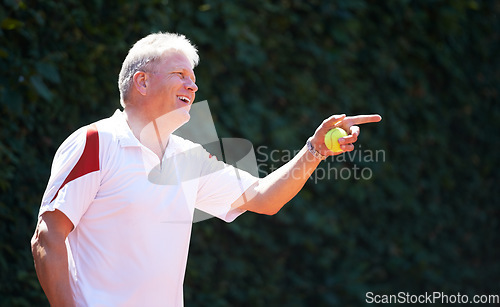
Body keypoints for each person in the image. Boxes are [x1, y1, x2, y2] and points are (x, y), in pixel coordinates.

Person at [31, 32, 381, 306]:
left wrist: (314, 150)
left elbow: (264, 198)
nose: (193, 85)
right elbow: (48, 234)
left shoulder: (189, 156)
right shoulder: (95, 141)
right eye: (180, 75)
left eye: (194, 79)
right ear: (142, 82)